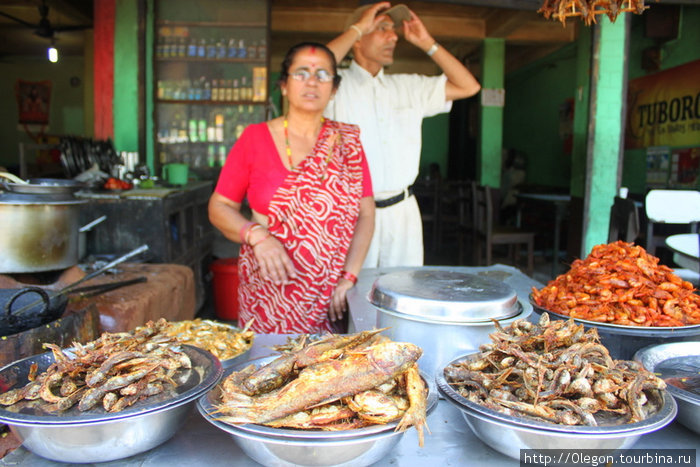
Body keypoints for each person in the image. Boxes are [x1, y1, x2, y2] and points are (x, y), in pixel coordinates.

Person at [209, 42, 375, 334]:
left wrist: (349, 277)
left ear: (334, 88)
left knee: (325, 373)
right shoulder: (254, 138)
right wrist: (257, 235)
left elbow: (366, 214)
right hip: (268, 296)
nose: (312, 81)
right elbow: (219, 206)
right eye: (301, 72)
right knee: (265, 373)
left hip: (329, 296)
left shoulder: (347, 142)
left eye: (323, 74)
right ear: (284, 85)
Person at [325, 2, 481, 267]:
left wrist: (427, 42)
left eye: (393, 29)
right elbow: (311, 66)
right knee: (351, 300)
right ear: (358, 40)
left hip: (403, 214)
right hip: (349, 214)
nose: (393, 36)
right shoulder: (333, 86)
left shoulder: (408, 86)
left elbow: (469, 86)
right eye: (382, 28)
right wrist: (357, 28)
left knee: (402, 295)